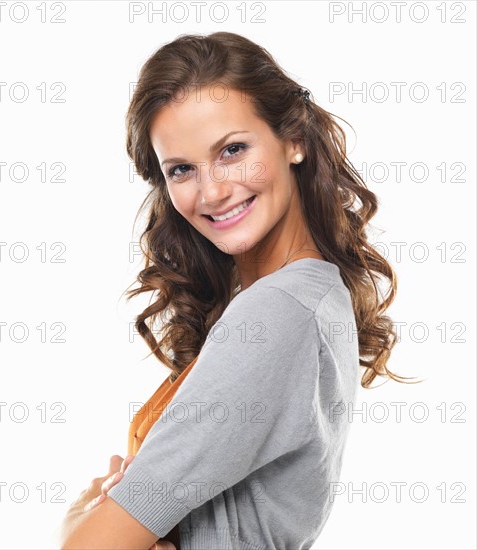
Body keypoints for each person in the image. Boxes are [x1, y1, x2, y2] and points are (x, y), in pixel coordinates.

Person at [59, 31, 418, 550]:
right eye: (181, 169)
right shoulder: (305, 295)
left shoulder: (279, 310)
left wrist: (75, 522)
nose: (212, 190)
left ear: (293, 139)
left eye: (232, 150)